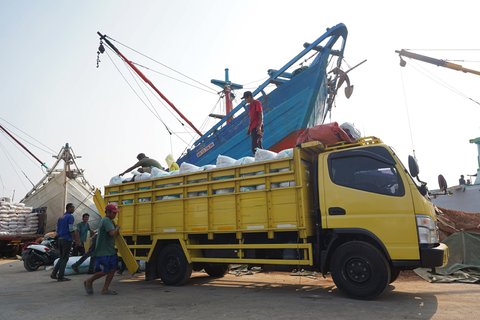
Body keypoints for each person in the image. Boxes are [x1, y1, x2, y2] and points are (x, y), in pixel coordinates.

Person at [84, 204, 120, 295]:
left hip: (109, 250)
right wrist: (117, 229)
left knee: (112, 270)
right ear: (108, 212)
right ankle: (89, 281)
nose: (115, 214)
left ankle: (105, 289)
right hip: (104, 251)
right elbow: (112, 233)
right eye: (114, 213)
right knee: (105, 270)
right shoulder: (107, 220)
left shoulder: (109, 220)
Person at [50, 203, 77, 282]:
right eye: (73, 208)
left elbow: (57, 229)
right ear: (68, 208)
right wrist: (74, 239)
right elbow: (71, 229)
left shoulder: (61, 217)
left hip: (60, 239)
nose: (74, 209)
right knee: (65, 258)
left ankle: (54, 273)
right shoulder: (70, 217)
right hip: (67, 239)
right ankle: (60, 276)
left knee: (62, 257)